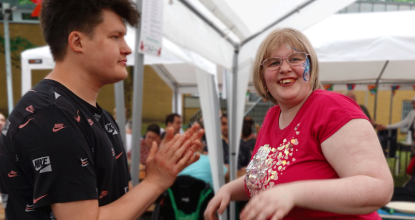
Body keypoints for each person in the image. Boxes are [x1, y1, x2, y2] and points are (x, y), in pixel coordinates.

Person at [0, 1, 204, 219]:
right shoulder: (49, 116)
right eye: (115, 37)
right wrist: (155, 181)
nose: (126, 48)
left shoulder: (98, 116)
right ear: (77, 41)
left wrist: (159, 174)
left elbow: (120, 205)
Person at [205, 28, 393, 220]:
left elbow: (378, 187)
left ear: (311, 66)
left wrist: (294, 193)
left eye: (295, 59)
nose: (285, 68)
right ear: (262, 76)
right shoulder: (272, 116)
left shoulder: (331, 108)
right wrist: (229, 189)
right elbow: (271, 176)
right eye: (274, 63)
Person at [179, 122, 227, 187]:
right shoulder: (210, 160)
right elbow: (227, 173)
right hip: (205, 195)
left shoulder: (177, 162)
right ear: (201, 145)